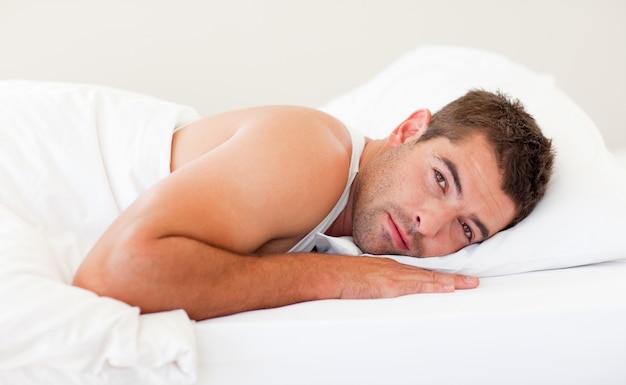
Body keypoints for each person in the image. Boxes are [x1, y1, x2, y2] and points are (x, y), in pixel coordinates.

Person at [72, 89, 554, 320]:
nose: (430, 222)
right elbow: (115, 274)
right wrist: (338, 277)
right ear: (408, 130)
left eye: (467, 230)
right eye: (439, 178)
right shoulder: (312, 155)